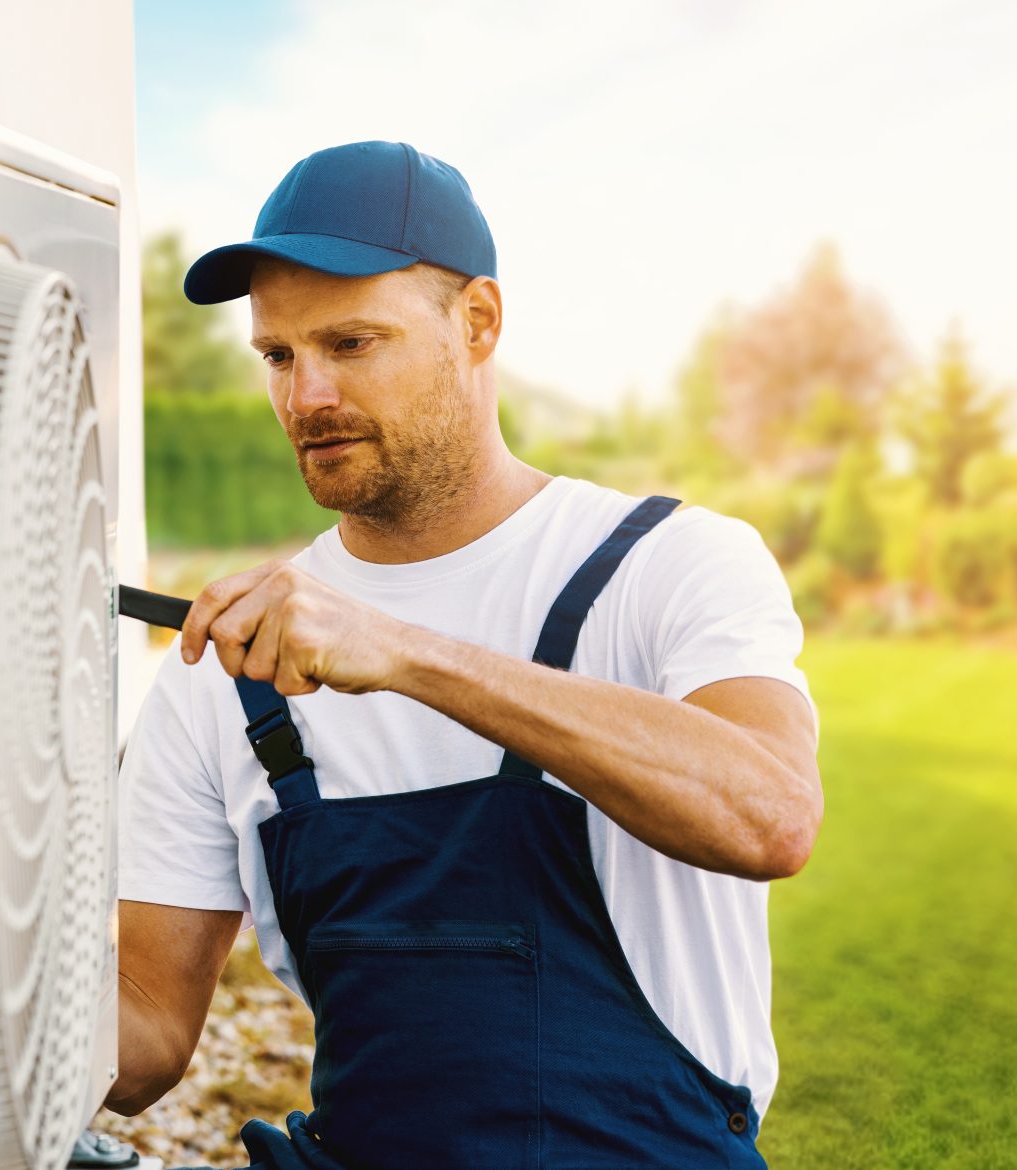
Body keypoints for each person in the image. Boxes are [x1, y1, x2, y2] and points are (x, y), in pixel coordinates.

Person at [109, 140, 822, 1170]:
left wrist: (404, 652)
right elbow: (144, 1043)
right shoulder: (224, 664)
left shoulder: (668, 566)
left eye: (352, 344)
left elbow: (771, 813)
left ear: (477, 322)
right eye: (277, 355)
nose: (305, 397)